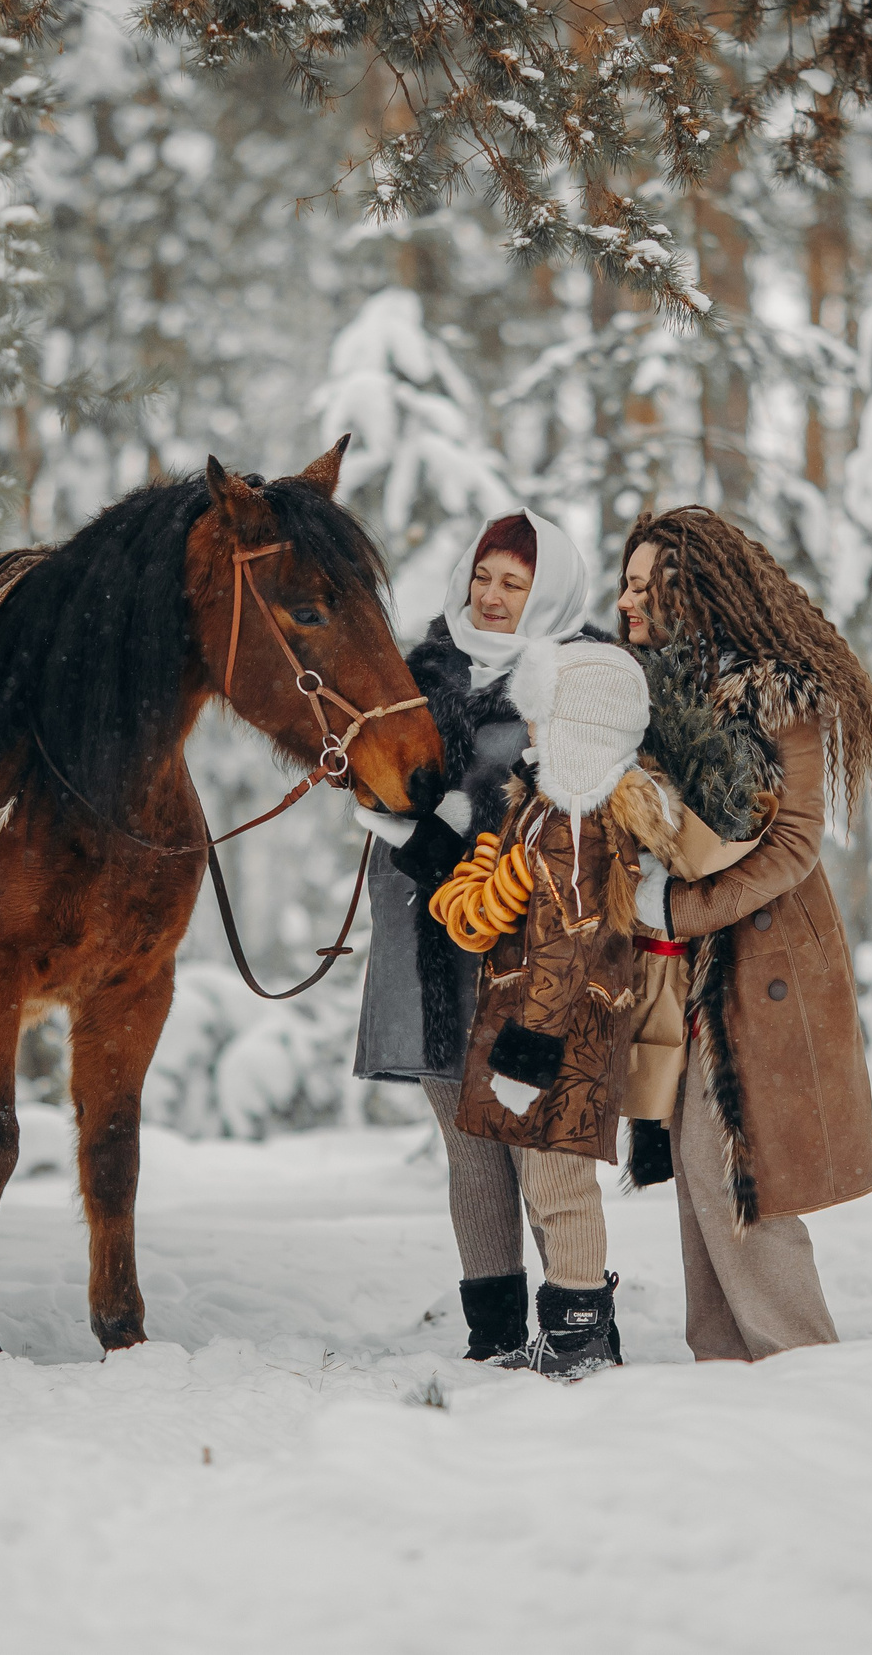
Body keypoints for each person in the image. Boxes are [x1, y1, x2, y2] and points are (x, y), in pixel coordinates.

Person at [616, 506, 872, 1362]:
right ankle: (727, 1367)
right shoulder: (654, 691)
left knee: (741, 1168)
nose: (624, 601)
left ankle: (797, 1358)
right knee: (702, 1166)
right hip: (688, 966)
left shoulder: (777, 690)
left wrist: (676, 910)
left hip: (762, 953)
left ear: (684, 591)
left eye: (639, 584)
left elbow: (794, 844)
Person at [352, 510, 593, 1362]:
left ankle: (576, 1328)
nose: (491, 597)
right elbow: (384, 780)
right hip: (425, 938)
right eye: (483, 576)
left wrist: (444, 829)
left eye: (514, 583)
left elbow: (567, 815)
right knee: (468, 1146)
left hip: (525, 944)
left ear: (549, 592)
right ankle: (493, 1338)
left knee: (534, 1139)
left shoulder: (577, 677)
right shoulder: (415, 671)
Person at [442, 637, 682, 1378]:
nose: (534, 733)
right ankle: (580, 1329)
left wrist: (529, 1048)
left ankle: (579, 1330)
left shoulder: (576, 828)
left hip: (561, 1038)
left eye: (545, 720)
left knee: (559, 1184)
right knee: (553, 1183)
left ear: (579, 728)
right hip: (547, 1028)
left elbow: (571, 946)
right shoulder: (551, 811)